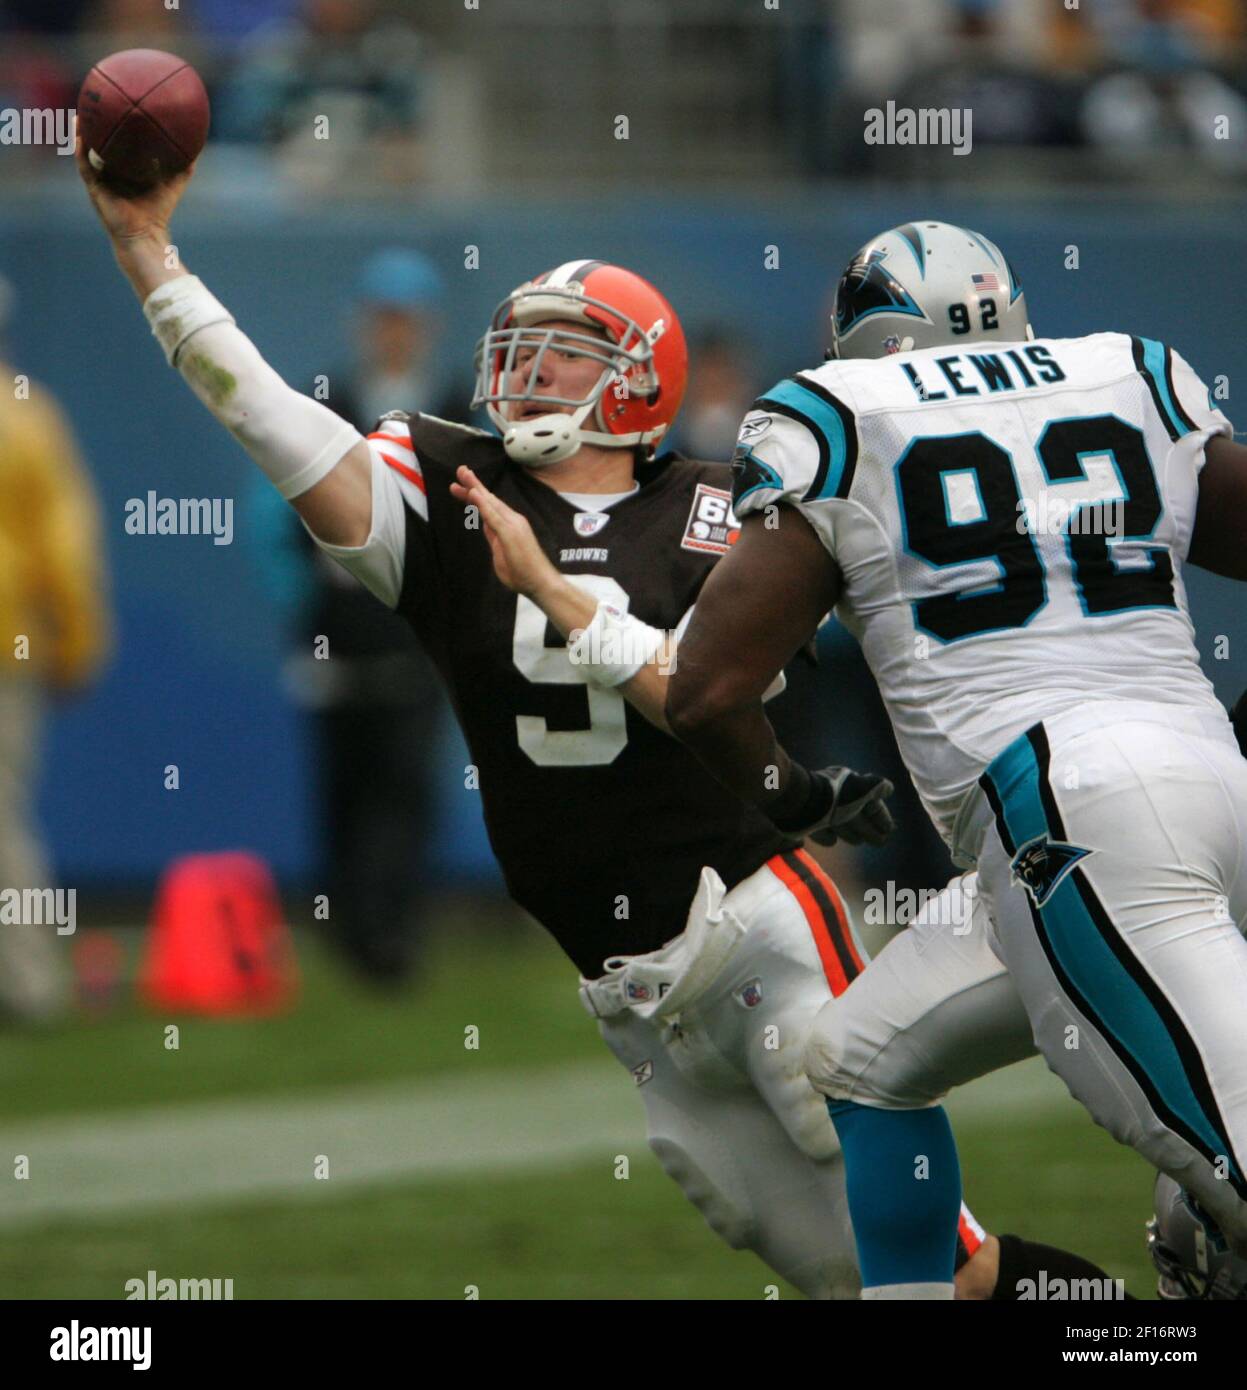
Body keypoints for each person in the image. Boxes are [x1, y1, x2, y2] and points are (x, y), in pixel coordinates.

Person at [75, 150, 1114, 1297]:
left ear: (634, 381)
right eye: (520, 340)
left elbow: (712, 690)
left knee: (937, 1274)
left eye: (564, 346)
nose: (523, 364)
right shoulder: (446, 486)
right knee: (835, 1276)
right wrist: (147, 255)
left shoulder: (726, 502)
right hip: (626, 987)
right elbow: (264, 415)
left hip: (757, 925)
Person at [666, 218, 1247, 1299]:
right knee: (858, 1058)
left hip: (1068, 821)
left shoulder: (837, 415)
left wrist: (793, 796)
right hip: (1187, 794)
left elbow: (703, 691)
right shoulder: (1124, 370)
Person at [0, 272, 112, 1021]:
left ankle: (30, 981)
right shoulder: (27, 418)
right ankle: (29, 980)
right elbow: (67, 549)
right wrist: (77, 646)